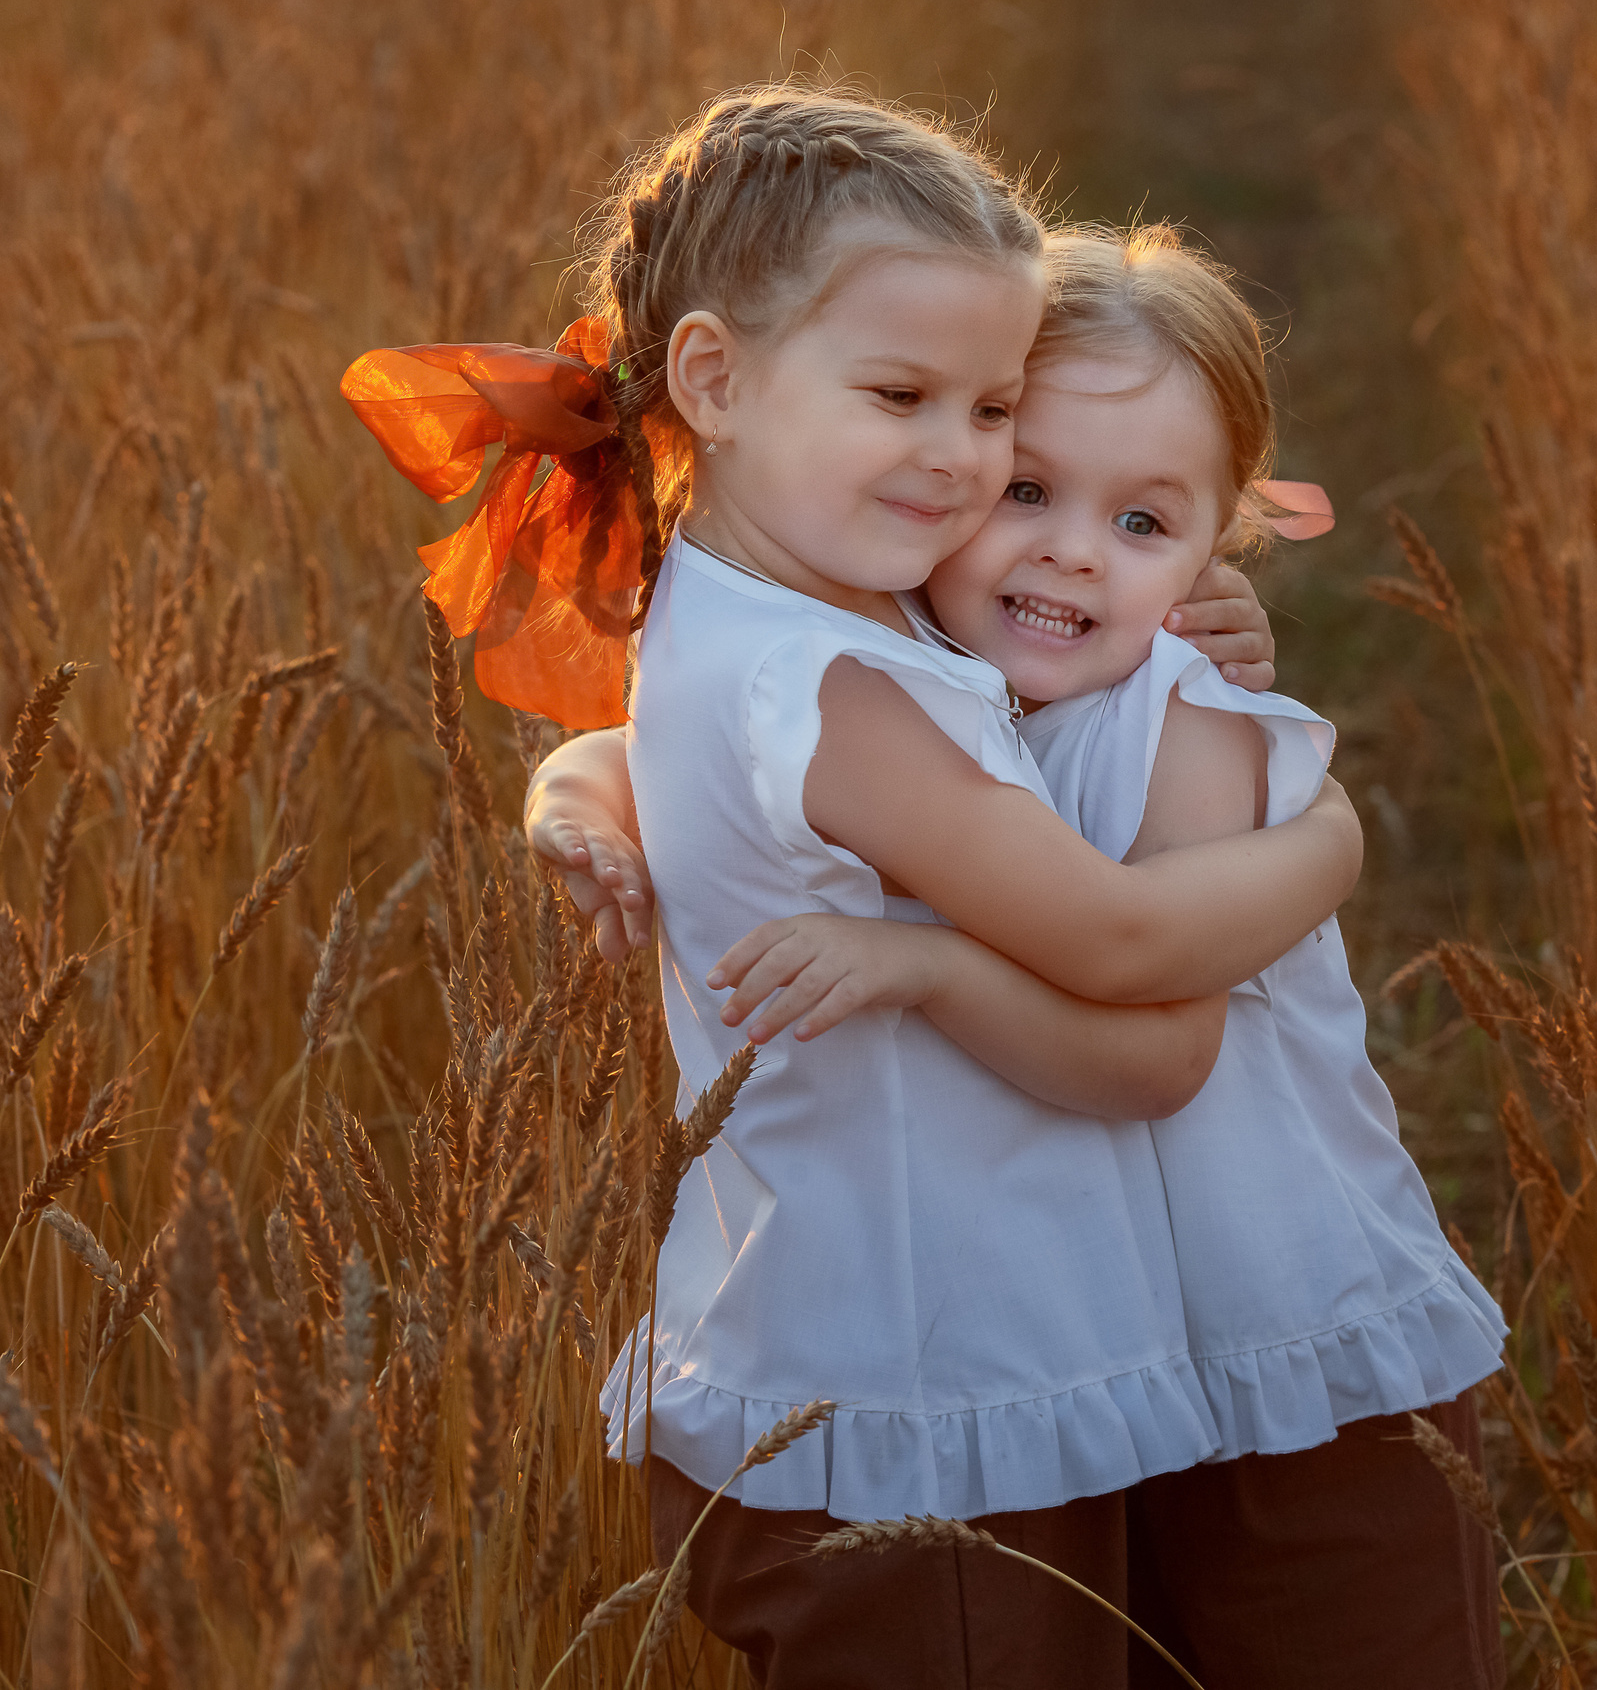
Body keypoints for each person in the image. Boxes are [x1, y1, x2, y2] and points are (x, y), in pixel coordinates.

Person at [352, 85, 1375, 1687]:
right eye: (904, 394)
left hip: (866, 1367)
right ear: (717, 377)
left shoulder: (751, 600)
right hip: (930, 1412)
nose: (960, 462)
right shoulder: (857, 694)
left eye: (989, 413)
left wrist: (573, 791)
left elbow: (664, 742)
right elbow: (1119, 952)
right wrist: (1331, 842)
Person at [529, 221, 1507, 1689]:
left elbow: (1162, 1039)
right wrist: (569, 799)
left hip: (1288, 1341)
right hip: (1100, 1374)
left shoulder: (1185, 722)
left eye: (1142, 523)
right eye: (1031, 487)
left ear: (1210, 546)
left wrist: (1333, 840)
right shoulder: (919, 670)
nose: (1066, 550)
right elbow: (685, 740)